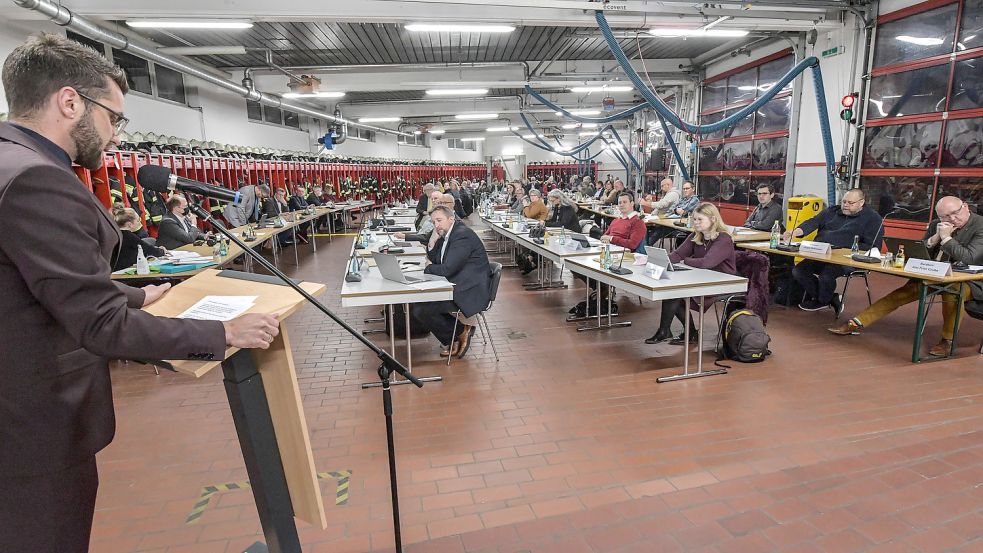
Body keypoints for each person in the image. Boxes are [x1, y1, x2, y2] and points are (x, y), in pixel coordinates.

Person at [0, 33, 279, 553]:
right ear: (69, 102)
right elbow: (99, 326)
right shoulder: (40, 180)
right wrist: (223, 332)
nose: (115, 136)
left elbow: (29, 287)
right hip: (30, 432)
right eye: (113, 117)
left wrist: (134, 297)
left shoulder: (8, 163)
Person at [829, 196, 983, 356]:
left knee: (953, 292)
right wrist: (933, 239)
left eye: (955, 213)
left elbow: (969, 257)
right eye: (945, 216)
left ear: (965, 207)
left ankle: (947, 341)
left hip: (973, 281)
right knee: (904, 293)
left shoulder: (980, 226)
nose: (951, 219)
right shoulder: (937, 225)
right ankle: (857, 322)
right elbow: (920, 251)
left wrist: (946, 238)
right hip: (938, 273)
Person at [645, 203, 737, 345]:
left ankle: (667, 331)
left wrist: (687, 260)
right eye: (694, 219)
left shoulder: (723, 238)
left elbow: (707, 262)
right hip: (700, 277)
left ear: (713, 219)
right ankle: (683, 332)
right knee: (671, 291)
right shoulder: (696, 235)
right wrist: (659, 260)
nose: (696, 223)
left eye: (700, 219)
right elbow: (678, 254)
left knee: (675, 292)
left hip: (721, 282)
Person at [783, 188, 883, 313]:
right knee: (798, 271)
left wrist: (842, 249)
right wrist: (796, 232)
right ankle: (831, 298)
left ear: (861, 203)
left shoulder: (873, 219)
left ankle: (822, 300)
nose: (845, 205)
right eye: (843, 201)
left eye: (850, 203)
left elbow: (872, 247)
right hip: (821, 254)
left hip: (846, 259)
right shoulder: (832, 211)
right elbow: (814, 222)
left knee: (826, 276)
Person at [414, 205, 491, 358]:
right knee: (419, 306)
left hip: (470, 289)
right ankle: (456, 335)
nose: (436, 225)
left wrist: (429, 268)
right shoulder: (448, 233)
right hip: (458, 282)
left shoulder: (461, 236)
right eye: (434, 221)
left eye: (439, 220)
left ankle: (460, 333)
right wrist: (433, 241)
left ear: (451, 219)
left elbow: (446, 269)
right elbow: (437, 260)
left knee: (422, 309)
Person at [112, 205, 166, 271]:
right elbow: (150, 250)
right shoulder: (128, 236)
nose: (140, 224)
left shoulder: (114, 234)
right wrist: (162, 251)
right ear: (129, 224)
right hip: (124, 272)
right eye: (138, 221)